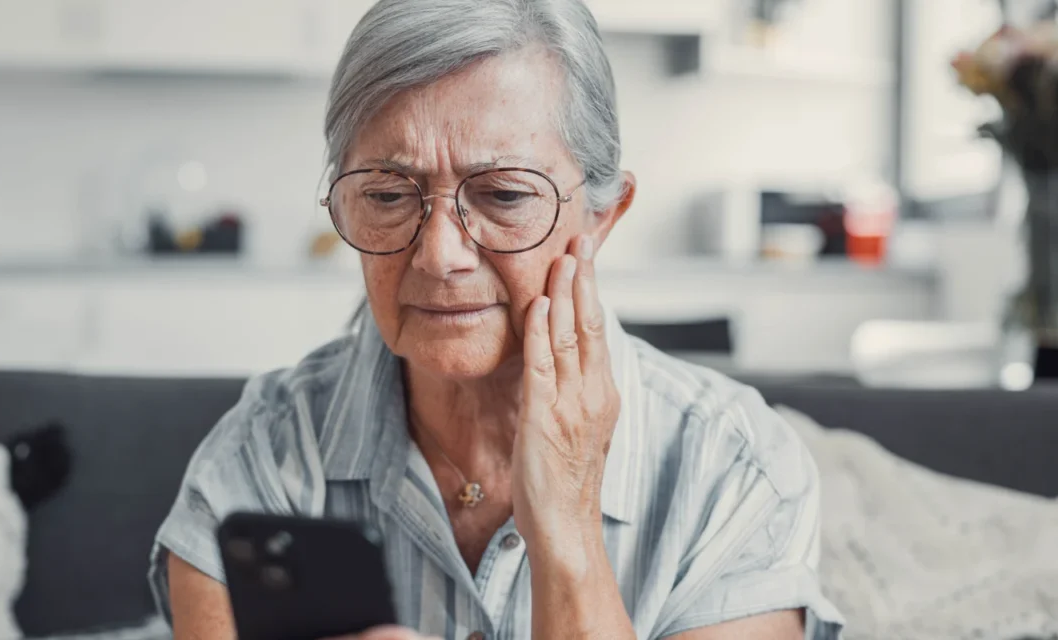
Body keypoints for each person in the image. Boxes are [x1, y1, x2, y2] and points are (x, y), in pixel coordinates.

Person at [149, 0, 843, 638]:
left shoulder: (737, 470)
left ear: (602, 217)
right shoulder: (263, 452)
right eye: (389, 193)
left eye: (504, 194)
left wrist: (567, 532)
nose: (439, 254)